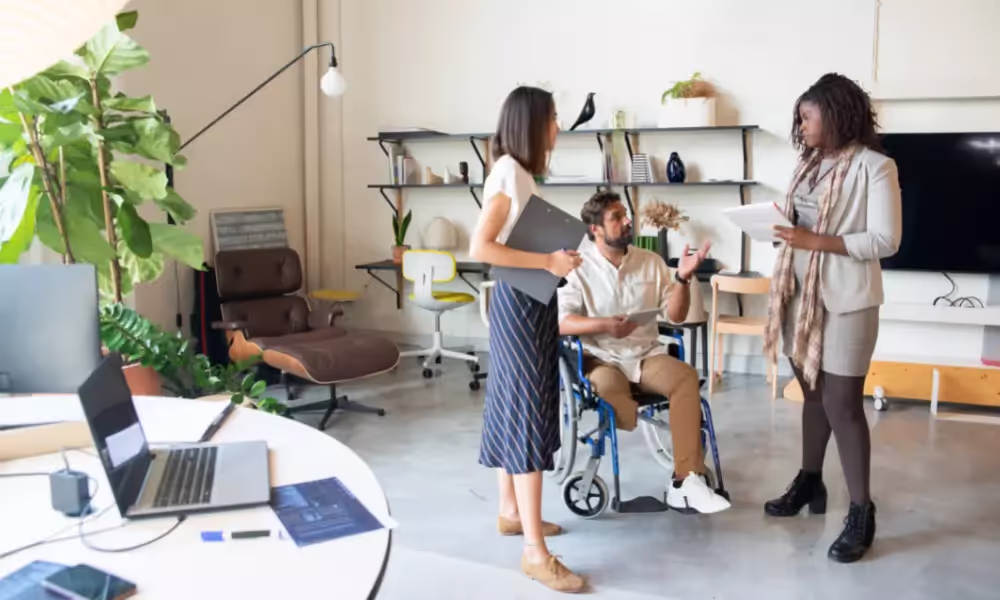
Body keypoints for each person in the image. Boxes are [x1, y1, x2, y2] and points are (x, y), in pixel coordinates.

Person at [762, 73, 902, 563]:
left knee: (843, 404)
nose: (800, 126)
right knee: (813, 395)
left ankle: (862, 510)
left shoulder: (876, 167)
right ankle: (809, 481)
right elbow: (801, 225)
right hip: (800, 295)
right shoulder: (808, 164)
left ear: (836, 113)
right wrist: (780, 227)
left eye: (806, 115)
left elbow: (886, 240)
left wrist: (816, 241)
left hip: (847, 300)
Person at [469, 86, 585, 593]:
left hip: (527, 300)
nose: (559, 127)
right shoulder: (509, 173)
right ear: (533, 124)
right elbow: (482, 246)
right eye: (554, 118)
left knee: (513, 406)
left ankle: (510, 511)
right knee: (528, 415)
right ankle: (535, 553)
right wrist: (547, 262)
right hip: (520, 303)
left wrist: (553, 259)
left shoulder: (518, 174)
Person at [557, 191, 731, 514]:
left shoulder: (651, 262)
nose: (627, 222)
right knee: (613, 393)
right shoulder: (577, 267)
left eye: (626, 215)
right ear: (595, 229)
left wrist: (682, 278)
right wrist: (604, 325)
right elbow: (562, 322)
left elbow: (676, 316)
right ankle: (644, 421)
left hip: (645, 355)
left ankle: (685, 482)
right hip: (602, 358)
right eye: (616, 218)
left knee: (685, 377)